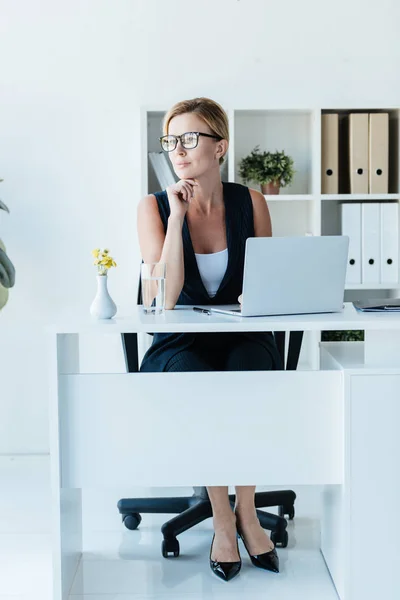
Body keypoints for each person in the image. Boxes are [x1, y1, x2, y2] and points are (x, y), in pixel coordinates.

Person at [137, 97, 282, 582]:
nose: (178, 149)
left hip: (243, 337)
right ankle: (224, 519)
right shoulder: (153, 208)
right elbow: (167, 300)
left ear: (219, 147)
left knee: (249, 370)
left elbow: (269, 285)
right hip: (180, 343)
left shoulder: (250, 203)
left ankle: (248, 507)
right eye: (171, 140)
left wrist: (256, 298)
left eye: (190, 138)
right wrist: (177, 218)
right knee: (199, 381)